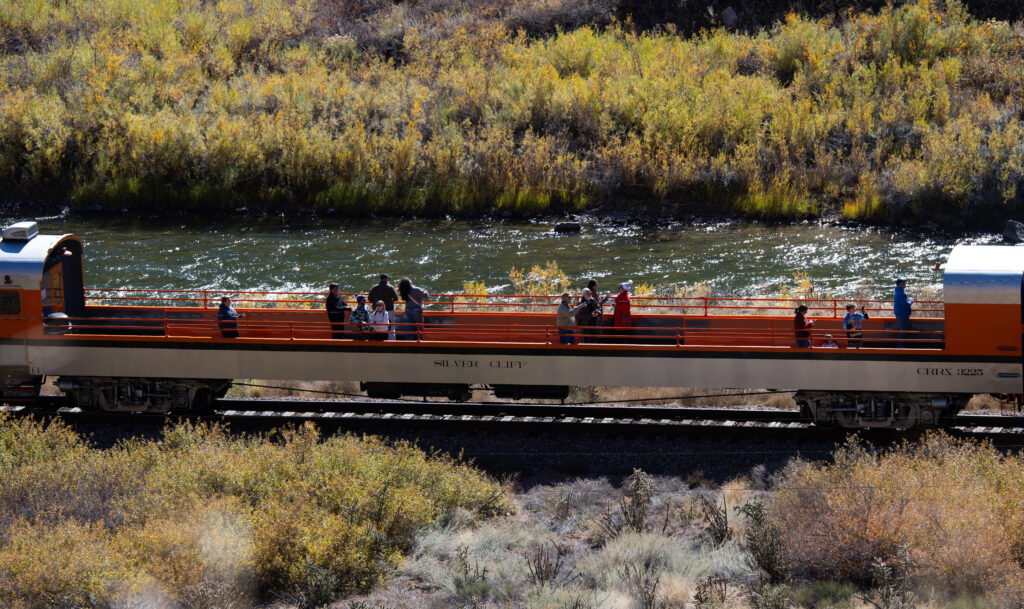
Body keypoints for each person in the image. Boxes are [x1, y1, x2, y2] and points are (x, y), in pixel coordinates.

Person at [368, 274, 399, 340]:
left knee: (377, 325)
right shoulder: (390, 287)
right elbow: (396, 298)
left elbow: (370, 299)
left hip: (377, 310)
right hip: (389, 309)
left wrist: (377, 303)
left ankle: (377, 339)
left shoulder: (374, 287)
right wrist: (390, 301)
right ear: (386, 279)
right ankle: (391, 340)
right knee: (391, 326)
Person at [894, 278, 913, 344]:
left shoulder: (898, 292)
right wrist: (910, 301)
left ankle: (899, 347)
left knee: (900, 331)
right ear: (900, 284)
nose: (905, 283)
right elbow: (904, 304)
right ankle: (901, 348)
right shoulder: (901, 293)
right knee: (903, 332)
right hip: (903, 315)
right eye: (903, 282)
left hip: (899, 314)